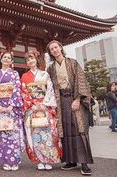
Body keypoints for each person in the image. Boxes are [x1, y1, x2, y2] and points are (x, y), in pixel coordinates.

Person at [47, 40, 93, 176]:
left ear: (61, 48)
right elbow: (49, 87)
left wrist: (78, 99)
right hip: (60, 101)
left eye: (56, 47)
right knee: (65, 130)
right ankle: (70, 161)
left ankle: (84, 163)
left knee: (79, 129)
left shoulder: (73, 63)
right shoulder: (51, 68)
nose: (54, 50)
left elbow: (81, 80)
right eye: (51, 49)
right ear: (50, 53)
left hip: (74, 98)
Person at [21, 50, 61, 170]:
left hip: (44, 106)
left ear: (36, 60)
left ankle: (48, 159)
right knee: (35, 133)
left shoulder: (45, 74)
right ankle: (38, 159)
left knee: (47, 132)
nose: (30, 61)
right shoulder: (24, 76)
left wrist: (44, 104)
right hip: (32, 108)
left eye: (32, 58)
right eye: (28, 60)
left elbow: (50, 90)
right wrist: (32, 104)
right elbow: (24, 92)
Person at [0, 52, 25, 171]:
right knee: (2, 135)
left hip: (11, 109)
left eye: (9, 58)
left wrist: (12, 105)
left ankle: (14, 160)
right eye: (5, 57)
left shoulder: (15, 74)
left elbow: (17, 90)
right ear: (1, 59)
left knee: (12, 135)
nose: (6, 59)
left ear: (11, 61)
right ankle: (6, 160)